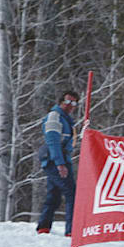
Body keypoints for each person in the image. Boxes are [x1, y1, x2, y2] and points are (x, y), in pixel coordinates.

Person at [36, 91, 79, 236]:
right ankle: (71, 230)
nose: (70, 105)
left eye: (73, 103)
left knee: (54, 195)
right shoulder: (55, 117)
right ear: (61, 101)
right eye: (67, 101)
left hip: (61, 159)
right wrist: (60, 164)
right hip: (54, 160)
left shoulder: (67, 120)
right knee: (71, 193)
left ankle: (43, 226)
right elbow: (53, 141)